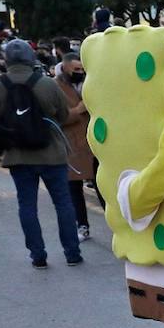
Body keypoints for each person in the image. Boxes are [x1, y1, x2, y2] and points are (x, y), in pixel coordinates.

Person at [0, 39, 81, 268]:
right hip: (51, 153)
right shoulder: (47, 84)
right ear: (30, 57)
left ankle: (38, 256)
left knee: (27, 205)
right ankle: (72, 253)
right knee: (63, 203)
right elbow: (61, 115)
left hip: (18, 154)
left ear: (6, 59)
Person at [53, 53, 95, 242]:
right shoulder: (55, 86)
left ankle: (116, 226)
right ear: (65, 67)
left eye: (82, 69)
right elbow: (54, 117)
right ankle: (82, 226)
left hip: (94, 142)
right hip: (71, 145)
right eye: (76, 70)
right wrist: (77, 111)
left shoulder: (92, 81)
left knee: (103, 186)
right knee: (74, 189)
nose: (80, 73)